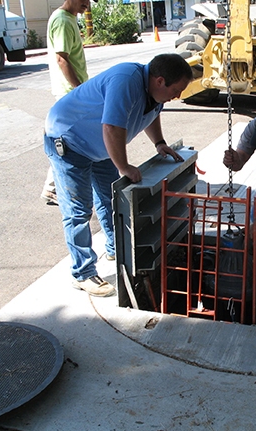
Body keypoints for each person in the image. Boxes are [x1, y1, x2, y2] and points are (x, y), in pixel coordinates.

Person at [44, 53, 193, 297]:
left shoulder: (155, 91)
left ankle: (116, 248)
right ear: (160, 80)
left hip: (99, 147)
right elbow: (111, 127)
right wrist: (124, 167)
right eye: (176, 90)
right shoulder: (126, 80)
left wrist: (160, 143)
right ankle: (82, 273)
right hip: (68, 140)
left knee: (110, 200)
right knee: (78, 211)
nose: (177, 96)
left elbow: (153, 113)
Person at [41, 0, 91, 205]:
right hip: (69, 93)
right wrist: (79, 90)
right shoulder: (62, 20)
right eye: (84, 0)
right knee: (68, 143)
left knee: (69, 142)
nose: (87, 5)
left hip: (71, 92)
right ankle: (53, 188)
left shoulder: (68, 19)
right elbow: (62, 59)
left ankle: (52, 187)